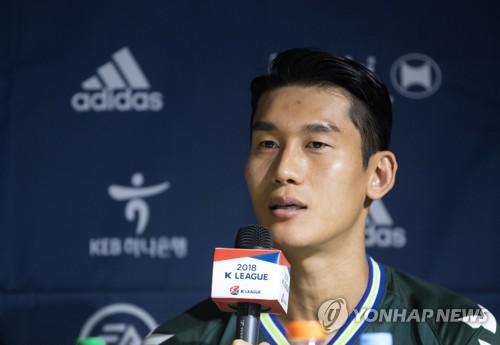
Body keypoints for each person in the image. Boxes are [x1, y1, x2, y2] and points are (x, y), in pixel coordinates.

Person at [142, 48, 499, 345]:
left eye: (316, 144)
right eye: (267, 144)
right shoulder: (179, 339)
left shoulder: (457, 330)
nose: (285, 170)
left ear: (377, 175)